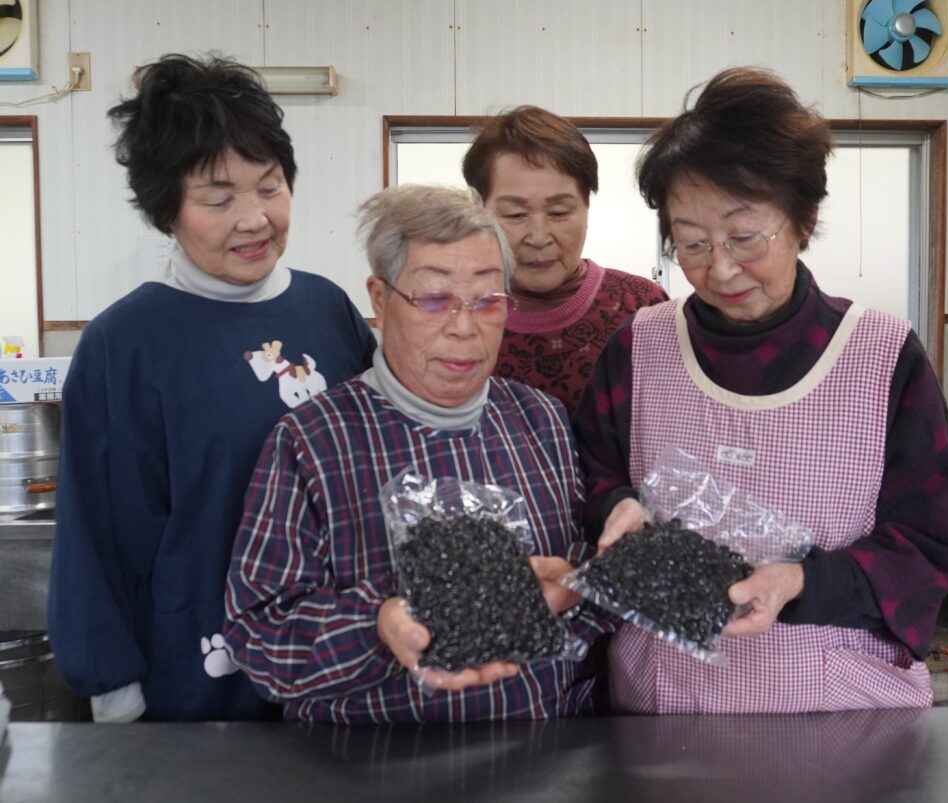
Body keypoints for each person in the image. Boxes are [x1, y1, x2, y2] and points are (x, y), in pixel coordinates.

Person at [574, 67, 948, 713]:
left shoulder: (881, 356)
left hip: (839, 716)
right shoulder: (639, 348)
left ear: (804, 218)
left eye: (743, 236)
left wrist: (802, 581)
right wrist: (613, 505)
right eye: (692, 243)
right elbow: (592, 474)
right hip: (659, 714)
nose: (719, 268)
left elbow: (931, 548)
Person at [47, 54, 376, 723]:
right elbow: (93, 532)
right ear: (167, 208)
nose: (254, 218)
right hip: (200, 676)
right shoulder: (125, 343)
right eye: (218, 199)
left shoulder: (327, 309)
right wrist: (112, 684)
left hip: (338, 662)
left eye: (270, 186)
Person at [223, 185, 612, 723]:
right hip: (370, 763)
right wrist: (379, 625)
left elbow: (593, 574)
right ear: (380, 300)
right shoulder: (313, 440)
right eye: (433, 300)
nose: (463, 326)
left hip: (542, 752)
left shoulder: (539, 419)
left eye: (488, 300)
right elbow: (260, 636)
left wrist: (572, 589)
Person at [462, 106, 667, 416]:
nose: (539, 236)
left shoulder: (641, 306)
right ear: (479, 211)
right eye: (515, 215)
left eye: (559, 213)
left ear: (586, 206)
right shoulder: (457, 312)